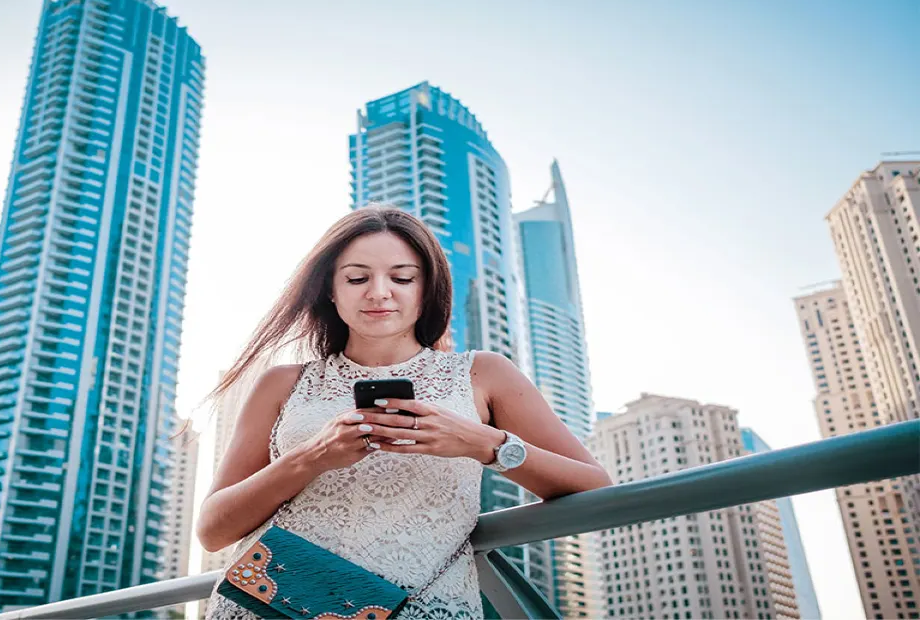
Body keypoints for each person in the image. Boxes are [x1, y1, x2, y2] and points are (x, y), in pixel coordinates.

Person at [196, 205, 612, 619]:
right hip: (275, 605)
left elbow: (596, 489)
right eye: (357, 278)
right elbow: (213, 530)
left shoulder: (485, 373)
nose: (379, 292)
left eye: (402, 277)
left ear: (426, 288)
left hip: (424, 608)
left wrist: (484, 444)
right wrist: (312, 456)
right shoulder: (282, 382)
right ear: (330, 289)